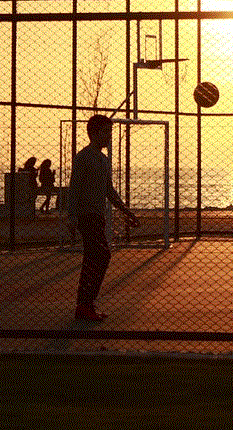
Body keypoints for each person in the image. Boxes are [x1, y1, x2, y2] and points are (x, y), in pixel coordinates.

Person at [69, 114, 138, 322]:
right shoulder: (83, 158)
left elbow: (109, 190)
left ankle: (85, 305)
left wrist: (126, 211)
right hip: (86, 216)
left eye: (110, 132)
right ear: (95, 134)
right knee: (101, 255)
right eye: (106, 132)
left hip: (98, 216)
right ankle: (84, 304)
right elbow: (74, 190)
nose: (109, 136)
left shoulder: (104, 160)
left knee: (95, 258)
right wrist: (71, 218)